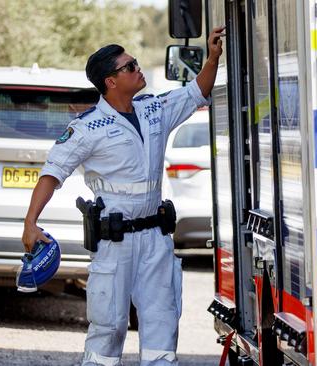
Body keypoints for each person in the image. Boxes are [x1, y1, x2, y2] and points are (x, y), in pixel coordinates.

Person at [21, 26, 225, 366]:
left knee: (162, 324)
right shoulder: (87, 128)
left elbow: (194, 93)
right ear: (110, 81)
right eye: (129, 66)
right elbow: (52, 174)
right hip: (115, 245)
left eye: (135, 63)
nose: (138, 68)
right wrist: (30, 223)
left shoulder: (153, 109)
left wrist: (213, 58)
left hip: (156, 239)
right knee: (108, 329)